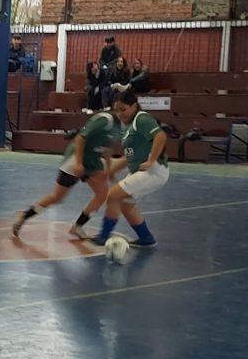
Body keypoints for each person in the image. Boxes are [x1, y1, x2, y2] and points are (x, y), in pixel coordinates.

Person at [12, 109, 120, 239]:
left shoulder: (121, 127)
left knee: (102, 194)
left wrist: (108, 169)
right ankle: (24, 216)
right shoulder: (105, 119)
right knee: (57, 197)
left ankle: (78, 227)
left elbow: (108, 148)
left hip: (92, 162)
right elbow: (80, 138)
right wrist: (78, 163)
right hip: (76, 158)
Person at [93, 87, 169, 248]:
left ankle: (103, 236)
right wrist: (113, 170)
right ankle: (146, 238)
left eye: (123, 109)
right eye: (117, 111)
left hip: (153, 170)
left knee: (113, 196)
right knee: (125, 204)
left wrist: (151, 160)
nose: (120, 114)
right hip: (143, 170)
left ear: (134, 106)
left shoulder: (141, 119)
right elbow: (130, 156)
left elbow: (160, 136)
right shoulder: (128, 126)